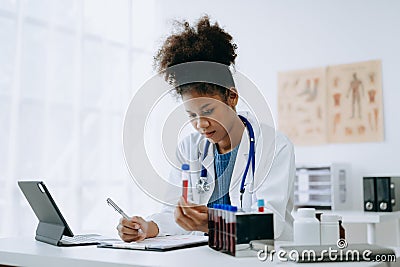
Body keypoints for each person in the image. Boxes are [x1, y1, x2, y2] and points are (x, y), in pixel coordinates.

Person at [116, 16, 295, 242]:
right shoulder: (189, 149)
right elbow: (175, 214)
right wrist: (147, 227)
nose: (200, 124)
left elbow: (271, 224)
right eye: (191, 115)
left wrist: (211, 223)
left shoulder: (273, 146)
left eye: (208, 111)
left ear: (232, 97)